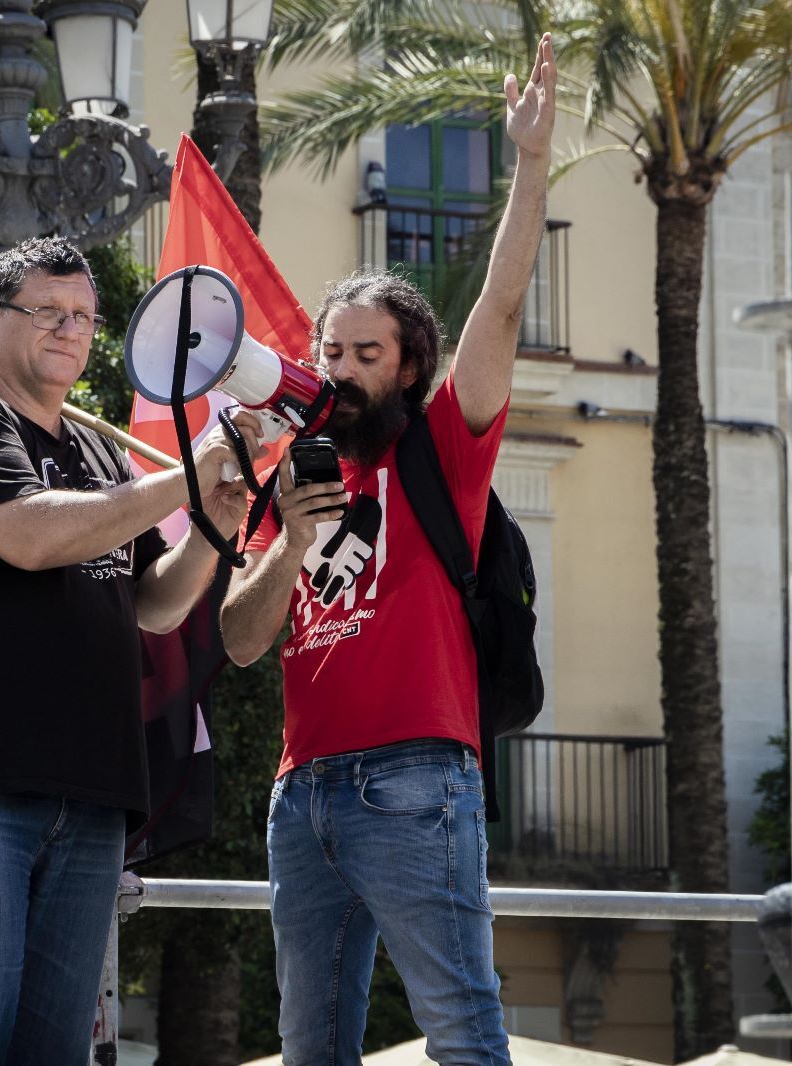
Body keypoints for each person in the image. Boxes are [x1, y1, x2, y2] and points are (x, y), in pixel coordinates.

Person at [219, 34, 558, 1066]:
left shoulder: (441, 446)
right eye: (329, 351)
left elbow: (498, 306)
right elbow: (238, 638)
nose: (342, 370)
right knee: (308, 1045)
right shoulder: (288, 466)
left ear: (410, 367)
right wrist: (290, 536)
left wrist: (530, 164)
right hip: (302, 789)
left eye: (367, 354)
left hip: (414, 778)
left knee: (459, 1028)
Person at [0, 237, 259, 1065]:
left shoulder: (100, 454)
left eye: (85, 317)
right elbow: (31, 537)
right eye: (49, 313)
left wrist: (218, 514)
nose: (72, 330)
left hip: (89, 795)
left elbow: (155, 604)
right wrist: (186, 472)